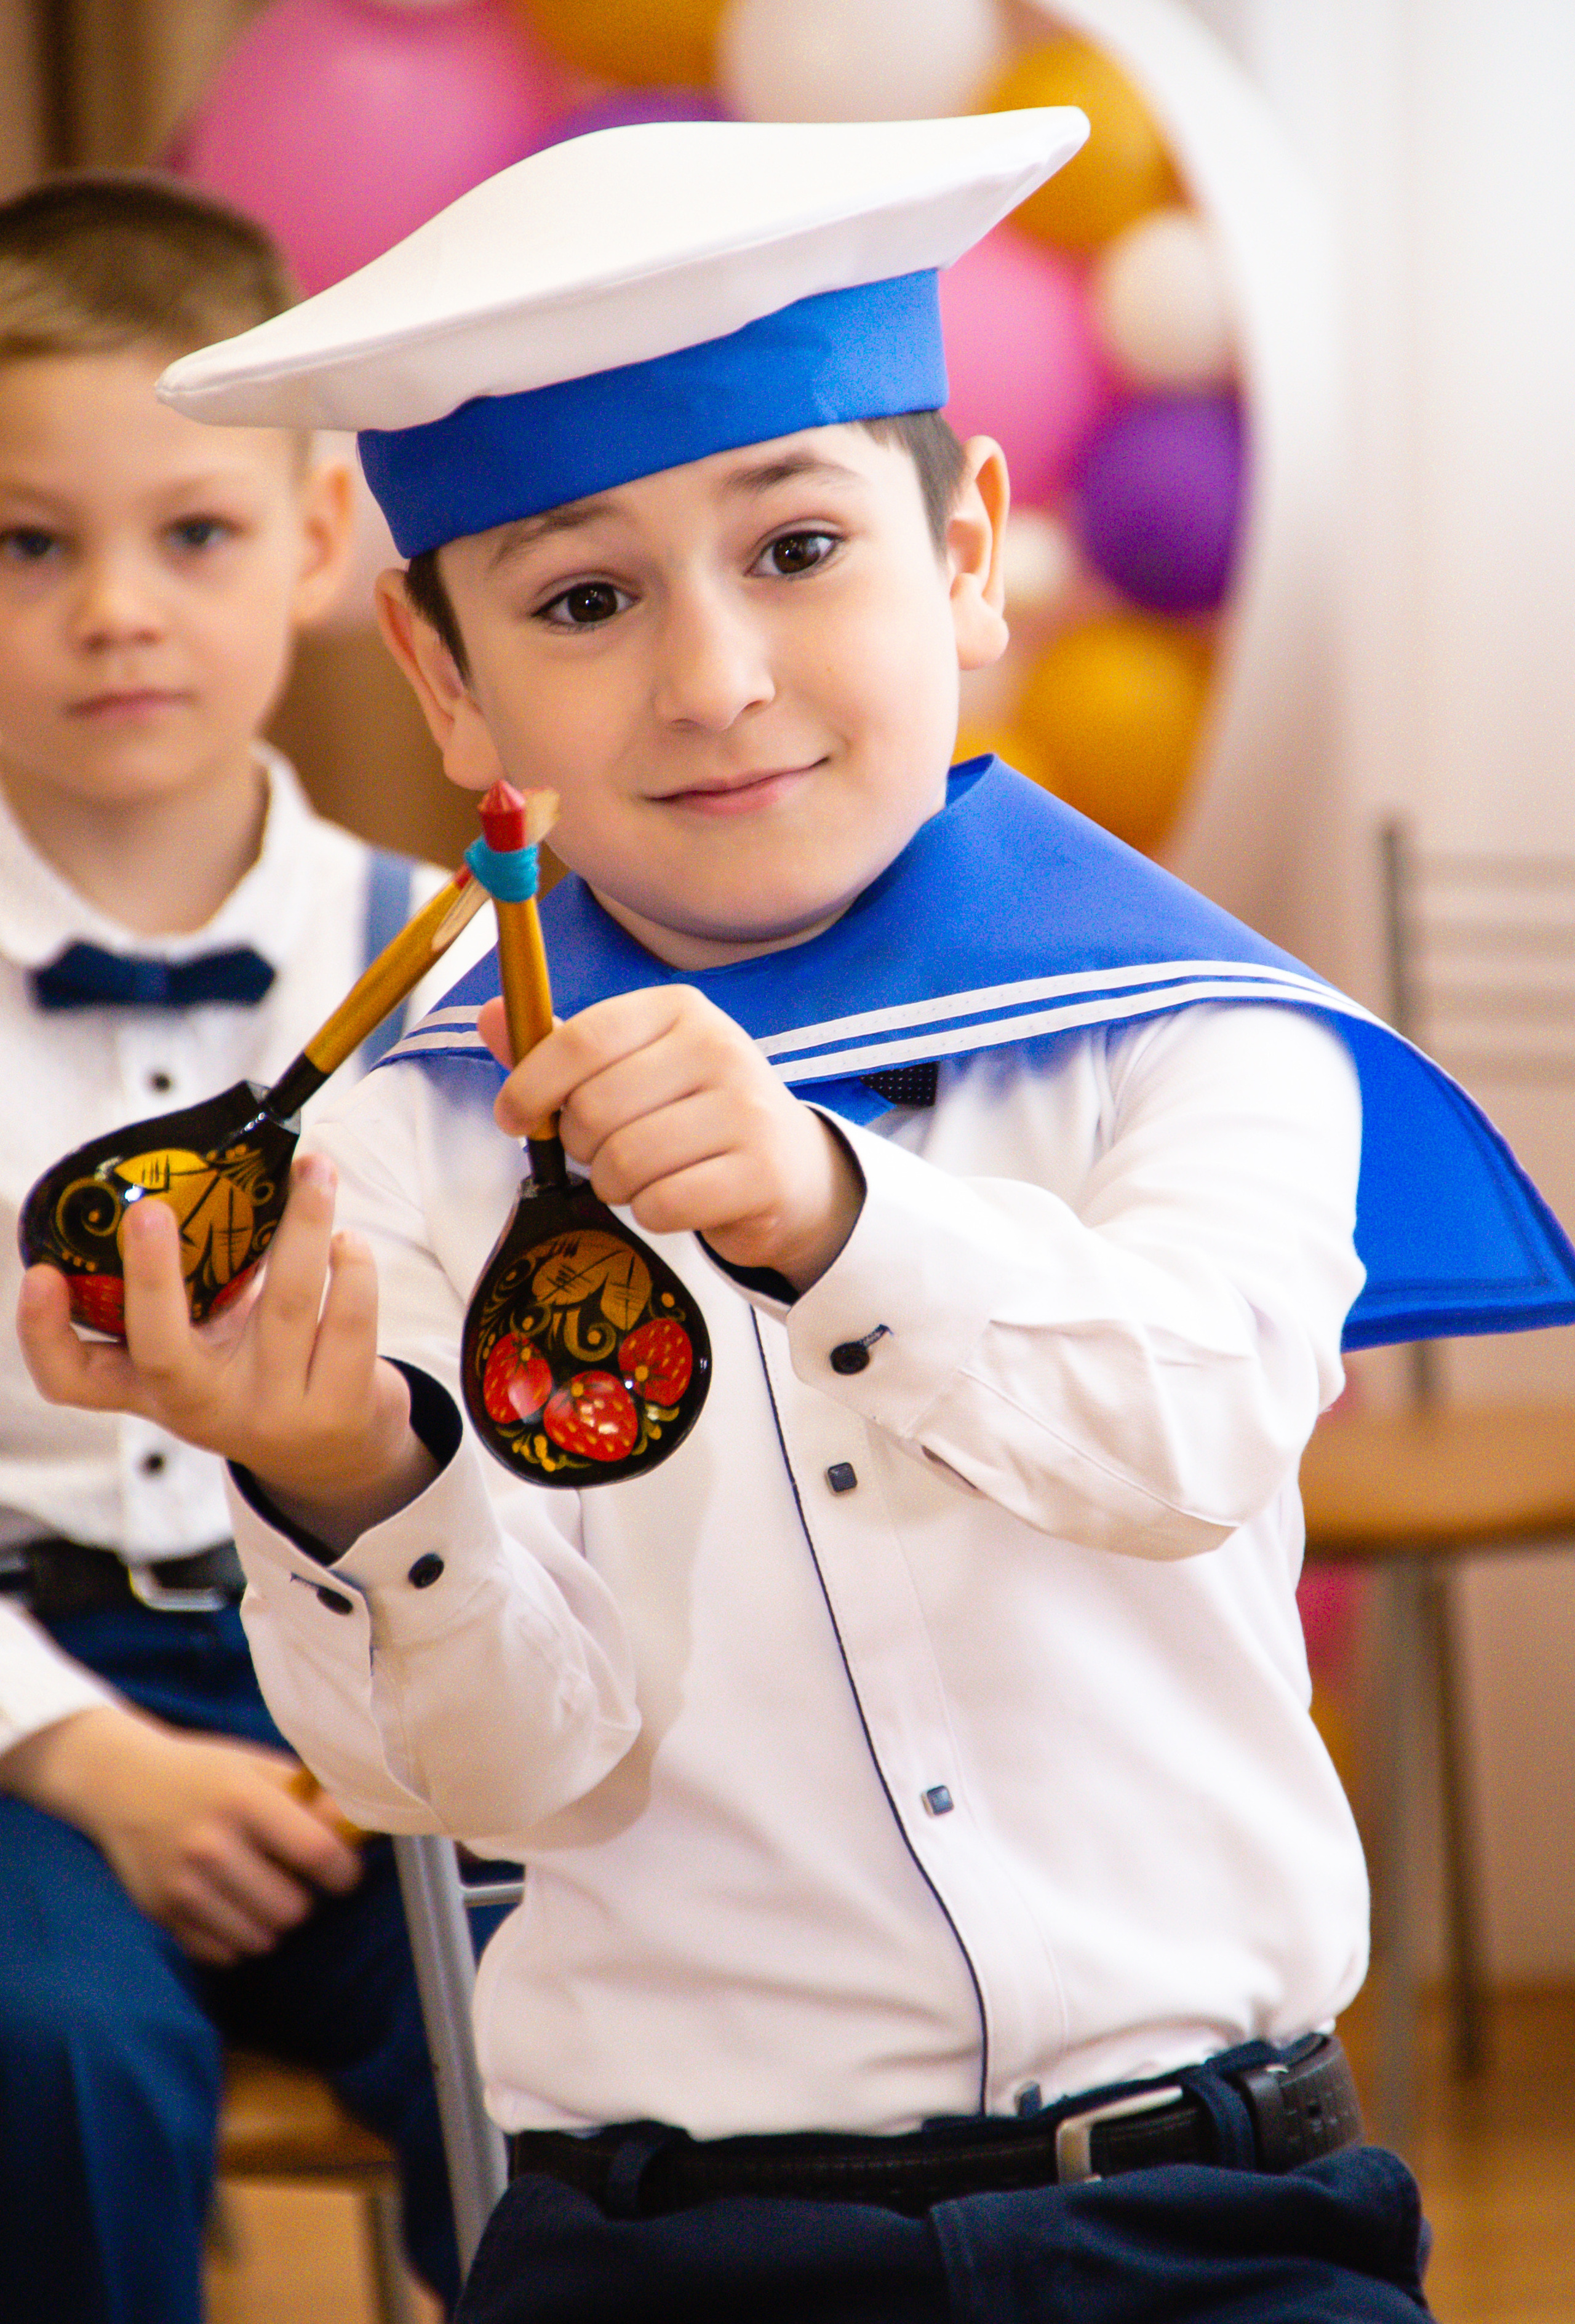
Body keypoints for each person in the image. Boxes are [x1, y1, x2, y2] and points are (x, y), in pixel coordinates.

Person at [22, 115, 1575, 2322]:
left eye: (802, 549)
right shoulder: (410, 1149)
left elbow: (1190, 1435)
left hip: (1218, 2219)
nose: (714, 679)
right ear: (444, 678)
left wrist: (842, 1218)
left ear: (967, 556)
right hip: (674, 2249)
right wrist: (351, 1474)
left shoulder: (1203, 1032)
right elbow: (498, 1773)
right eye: (584, 600)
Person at [0, 174, 486, 2323]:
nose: (115, 610)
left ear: (313, 540)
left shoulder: (452, 968)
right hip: (23, 1714)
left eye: (191, 533)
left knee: (552, 2012)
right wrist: (81, 1756)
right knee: (55, 2060)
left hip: (372, 1670)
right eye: (28, 545)